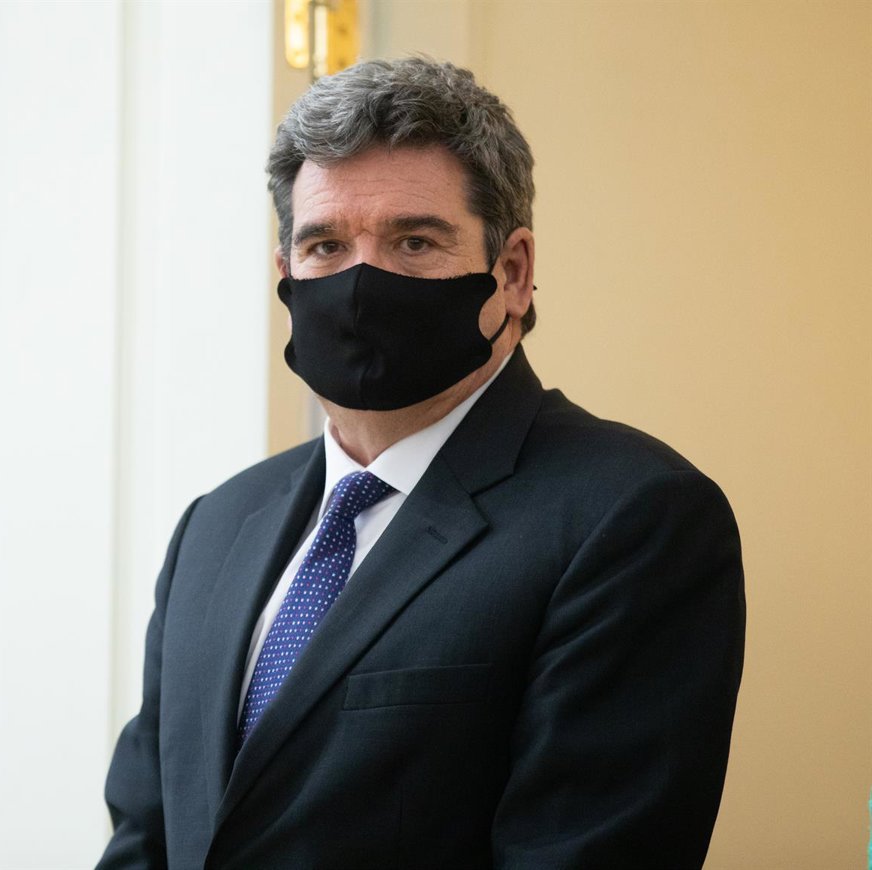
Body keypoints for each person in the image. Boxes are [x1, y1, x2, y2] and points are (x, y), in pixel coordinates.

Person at [98, 57, 744, 869]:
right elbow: (145, 835)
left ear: (513, 273)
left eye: (414, 242)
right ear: (286, 275)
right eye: (326, 245)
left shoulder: (632, 518)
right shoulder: (217, 525)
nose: (362, 284)